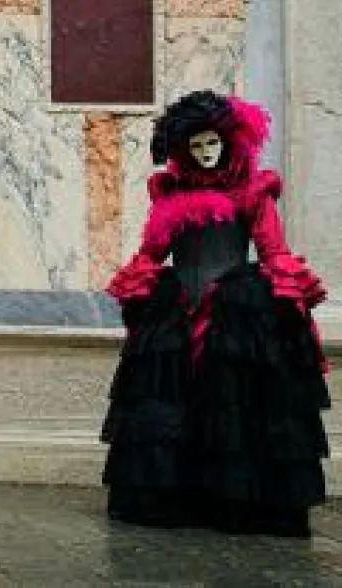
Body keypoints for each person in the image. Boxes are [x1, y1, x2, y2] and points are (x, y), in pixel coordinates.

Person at [101, 90, 330, 537]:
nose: (206, 153)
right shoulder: (169, 198)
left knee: (234, 406)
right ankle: (178, 499)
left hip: (235, 312)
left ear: (229, 142)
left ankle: (237, 503)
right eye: (197, 146)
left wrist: (285, 290)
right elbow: (153, 251)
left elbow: (271, 248)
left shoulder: (252, 192)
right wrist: (141, 281)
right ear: (184, 150)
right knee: (171, 403)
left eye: (213, 144)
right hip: (178, 310)